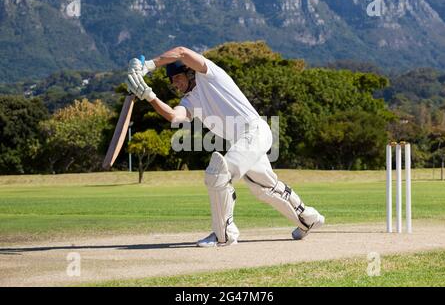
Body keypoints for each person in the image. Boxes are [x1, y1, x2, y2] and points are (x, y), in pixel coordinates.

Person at [126, 47, 325, 248]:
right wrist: (148, 95)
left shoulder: (210, 75)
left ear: (189, 71)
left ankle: (224, 234)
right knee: (265, 188)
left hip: (254, 131)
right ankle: (308, 218)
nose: (174, 84)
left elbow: (182, 52)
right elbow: (174, 116)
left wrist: (148, 65)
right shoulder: (189, 101)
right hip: (243, 140)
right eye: (171, 81)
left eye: (176, 77)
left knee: (218, 174)